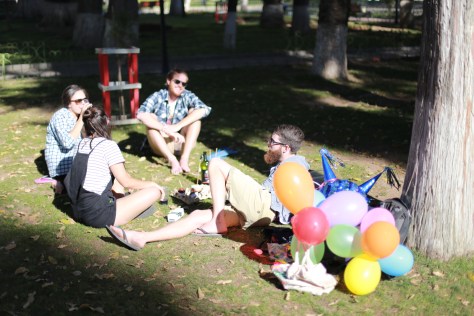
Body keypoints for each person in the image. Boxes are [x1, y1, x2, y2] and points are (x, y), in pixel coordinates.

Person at [106, 124, 309, 251]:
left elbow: (289, 200)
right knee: (198, 216)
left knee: (216, 163)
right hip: (260, 214)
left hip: (265, 208)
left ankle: (218, 222)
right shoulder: (285, 166)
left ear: (286, 148)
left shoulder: (296, 165)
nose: (268, 145)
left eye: (272, 142)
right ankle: (142, 238)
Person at [64, 106, 166, 228]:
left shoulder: (81, 143)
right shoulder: (108, 145)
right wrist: (152, 184)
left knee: (115, 175)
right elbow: (126, 181)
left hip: (77, 209)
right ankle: (125, 209)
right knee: (155, 192)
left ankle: (123, 204)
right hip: (96, 215)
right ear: (107, 122)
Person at [136, 69, 212, 175]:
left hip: (181, 142)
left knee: (195, 118)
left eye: (184, 83)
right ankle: (172, 160)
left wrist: (177, 126)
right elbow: (141, 114)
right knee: (151, 118)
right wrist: (166, 129)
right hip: (162, 144)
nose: (180, 85)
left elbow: (205, 109)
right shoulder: (158, 96)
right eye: (177, 82)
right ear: (168, 81)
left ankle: (184, 158)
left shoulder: (187, 95)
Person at [45, 84, 92, 194]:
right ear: (68, 103)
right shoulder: (61, 116)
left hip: (78, 162)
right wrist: (81, 119)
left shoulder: (79, 115)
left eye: (84, 100)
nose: (83, 104)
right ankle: (59, 182)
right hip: (63, 166)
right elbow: (67, 143)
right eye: (78, 101)